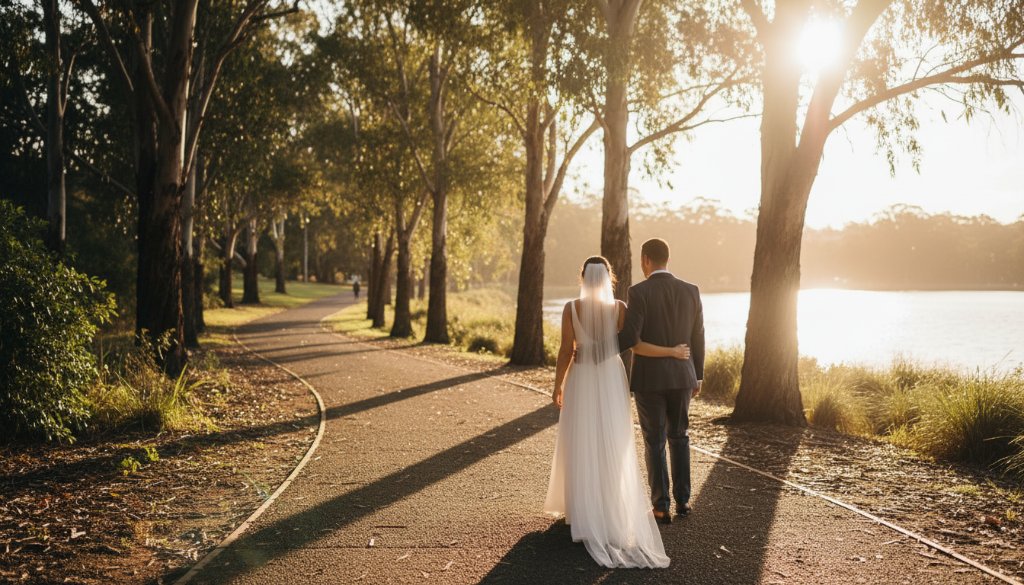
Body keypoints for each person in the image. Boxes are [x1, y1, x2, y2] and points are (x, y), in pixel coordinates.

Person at [544, 255, 689, 569]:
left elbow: (566, 349)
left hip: (582, 376)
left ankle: (581, 510)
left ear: (583, 277)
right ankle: (609, 507)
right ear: (609, 278)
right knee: (612, 438)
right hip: (611, 376)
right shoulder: (621, 309)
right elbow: (631, 342)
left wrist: (558, 385)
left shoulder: (571, 308)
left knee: (581, 438)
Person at [618, 238, 705, 524]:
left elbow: (630, 338)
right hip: (683, 376)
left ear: (645, 260)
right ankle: (683, 501)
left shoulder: (638, 292)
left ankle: (660, 506)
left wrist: (597, 348)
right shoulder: (691, 291)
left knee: (654, 441)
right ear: (667, 258)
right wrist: (698, 374)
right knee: (679, 437)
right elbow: (698, 337)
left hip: (649, 379)